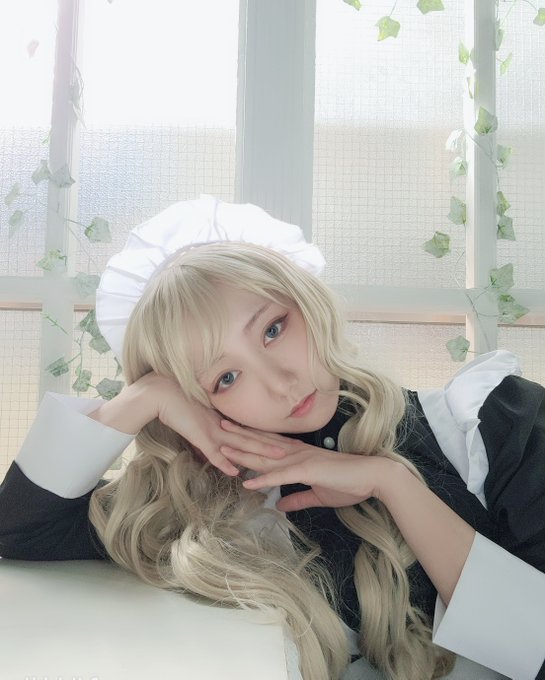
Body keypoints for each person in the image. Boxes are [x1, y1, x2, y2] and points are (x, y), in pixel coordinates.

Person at [0, 195, 544, 680]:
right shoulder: (216, 507)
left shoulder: (492, 422)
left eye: (273, 329)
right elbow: (20, 531)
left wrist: (393, 483)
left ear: (306, 301)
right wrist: (144, 397)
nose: (281, 383)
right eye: (226, 377)